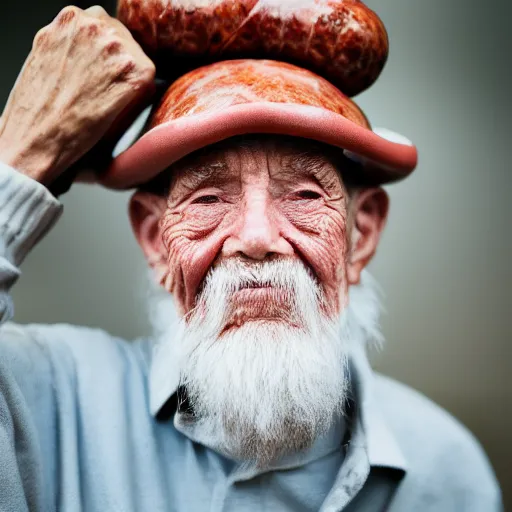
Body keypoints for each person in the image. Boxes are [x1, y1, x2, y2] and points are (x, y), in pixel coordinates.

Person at [0, 5, 502, 512]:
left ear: (361, 233)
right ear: (156, 240)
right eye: (208, 200)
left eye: (305, 195)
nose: (257, 237)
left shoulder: (445, 470)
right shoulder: (47, 401)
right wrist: (20, 154)